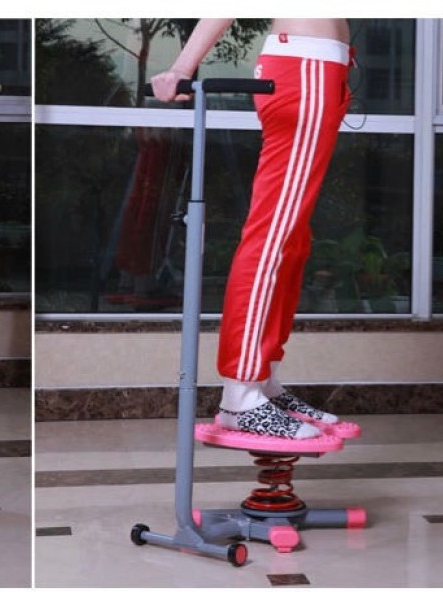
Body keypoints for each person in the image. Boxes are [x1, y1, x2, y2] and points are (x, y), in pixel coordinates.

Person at [151, 19, 352, 439]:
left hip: (324, 69)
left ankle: (263, 383)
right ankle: (240, 397)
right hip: (305, 68)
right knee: (273, 237)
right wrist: (182, 67)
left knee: (291, 239)